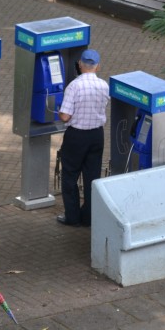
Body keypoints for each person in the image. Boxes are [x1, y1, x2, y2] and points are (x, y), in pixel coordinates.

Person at [56, 48, 109, 227]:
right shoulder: (104, 85)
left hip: (76, 136)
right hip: (96, 135)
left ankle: (72, 217)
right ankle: (89, 217)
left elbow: (65, 116)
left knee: (69, 176)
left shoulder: (74, 86)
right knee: (92, 177)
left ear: (80, 64)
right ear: (97, 66)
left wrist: (58, 110)